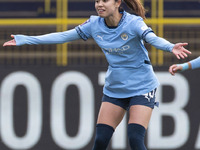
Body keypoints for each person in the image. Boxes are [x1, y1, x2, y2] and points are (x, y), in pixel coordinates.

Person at [3, 0, 191, 149]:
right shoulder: (94, 24)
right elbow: (63, 36)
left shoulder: (134, 23)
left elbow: (152, 38)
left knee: (135, 138)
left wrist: (170, 47)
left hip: (142, 87)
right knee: (100, 140)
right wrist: (24, 40)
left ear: (118, 3)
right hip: (115, 88)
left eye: (105, 0)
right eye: (97, 0)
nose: (99, 4)